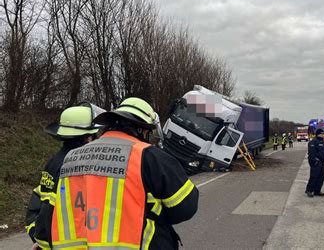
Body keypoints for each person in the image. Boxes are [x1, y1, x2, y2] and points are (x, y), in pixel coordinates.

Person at [33, 97, 199, 250]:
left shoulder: (71, 158)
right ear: (143, 131)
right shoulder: (149, 157)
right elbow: (185, 208)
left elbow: (48, 213)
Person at [25, 103, 104, 247]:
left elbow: (39, 204)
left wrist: (39, 239)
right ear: (88, 138)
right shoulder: (80, 166)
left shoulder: (54, 161)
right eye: (95, 135)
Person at [305, 129, 324, 197]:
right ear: (318, 134)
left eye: (323, 134)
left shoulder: (323, 142)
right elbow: (312, 153)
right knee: (314, 176)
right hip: (317, 162)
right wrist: (315, 160)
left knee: (321, 177)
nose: (323, 135)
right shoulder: (313, 142)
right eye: (321, 134)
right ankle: (309, 190)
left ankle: (317, 190)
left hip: (322, 162)